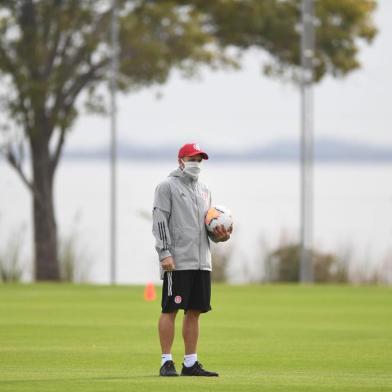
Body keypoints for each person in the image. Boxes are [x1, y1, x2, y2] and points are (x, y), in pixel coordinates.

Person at [152, 143, 232, 377]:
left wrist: (219, 237)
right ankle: (166, 361)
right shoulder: (166, 187)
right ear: (181, 161)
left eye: (199, 160)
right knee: (170, 309)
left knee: (195, 311)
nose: (196, 164)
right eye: (192, 159)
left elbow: (206, 227)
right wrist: (164, 253)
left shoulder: (205, 190)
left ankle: (190, 363)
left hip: (202, 262)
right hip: (177, 262)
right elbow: (160, 221)